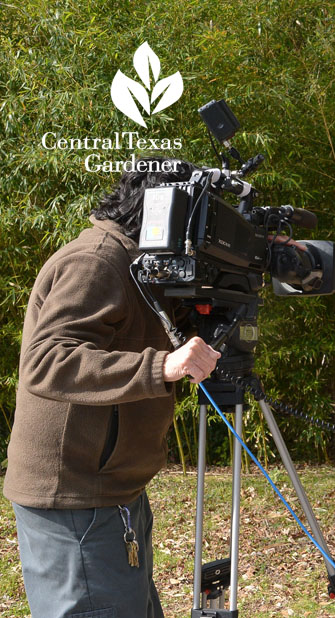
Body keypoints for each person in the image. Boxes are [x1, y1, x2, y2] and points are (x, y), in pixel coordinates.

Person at [4, 158, 222, 618]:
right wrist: (162, 365)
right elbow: (46, 362)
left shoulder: (144, 265)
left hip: (112, 487)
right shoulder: (98, 260)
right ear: (164, 209)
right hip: (75, 494)